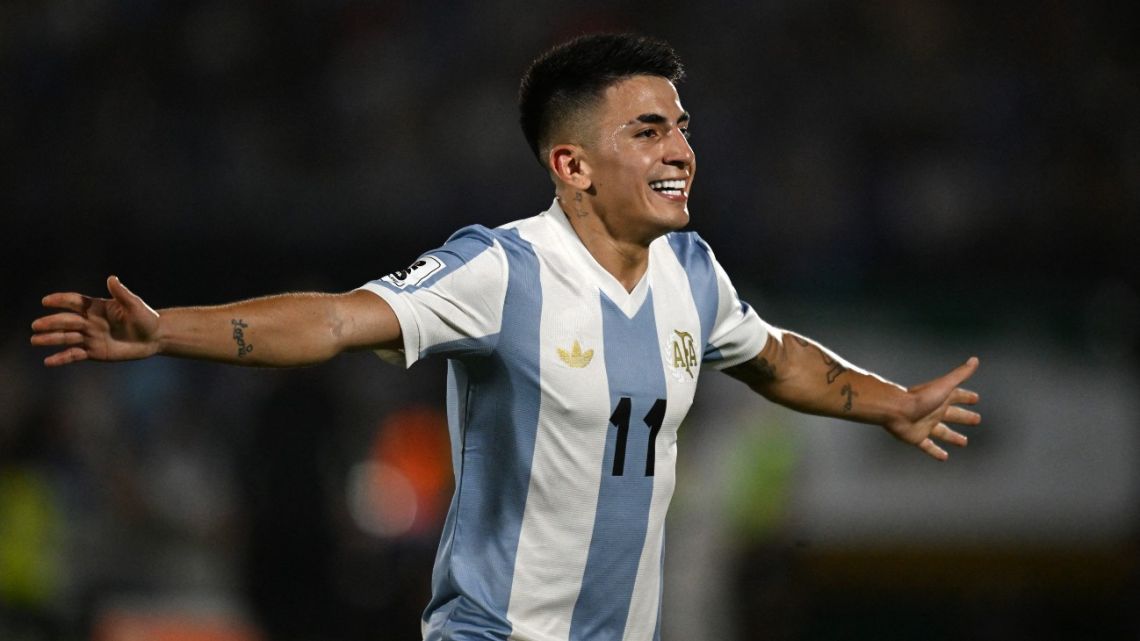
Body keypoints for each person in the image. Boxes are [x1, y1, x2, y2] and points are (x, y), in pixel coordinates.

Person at [31, 33, 980, 641]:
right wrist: (170, 333)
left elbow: (778, 359)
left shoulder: (695, 273)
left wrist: (894, 401)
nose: (681, 150)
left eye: (681, 127)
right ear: (571, 163)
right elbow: (333, 317)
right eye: (648, 131)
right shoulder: (502, 269)